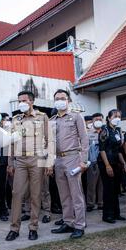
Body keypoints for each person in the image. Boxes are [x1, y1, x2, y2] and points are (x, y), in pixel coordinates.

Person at [5, 91, 52, 242]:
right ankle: (14, 229)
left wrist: (49, 162)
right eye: (19, 101)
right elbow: (11, 142)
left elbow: (50, 140)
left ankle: (33, 227)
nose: (21, 103)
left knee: (35, 195)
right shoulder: (16, 119)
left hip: (37, 159)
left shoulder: (42, 117)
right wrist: (10, 162)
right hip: (20, 160)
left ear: (31, 101)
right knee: (17, 194)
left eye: (24, 100)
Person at [49, 89, 89, 239]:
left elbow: (84, 140)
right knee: (64, 194)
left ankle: (79, 225)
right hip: (58, 160)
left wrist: (83, 160)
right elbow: (49, 143)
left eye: (62, 98)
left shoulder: (76, 116)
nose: (60, 100)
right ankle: (68, 222)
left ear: (68, 101)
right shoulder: (52, 120)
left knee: (76, 194)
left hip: (73, 157)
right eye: (57, 98)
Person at [98, 109, 126, 224]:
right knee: (108, 190)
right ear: (109, 118)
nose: (118, 118)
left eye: (119, 116)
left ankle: (116, 213)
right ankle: (108, 215)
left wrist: (124, 163)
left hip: (117, 163)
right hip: (106, 162)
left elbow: (119, 150)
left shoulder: (117, 131)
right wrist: (107, 165)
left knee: (116, 189)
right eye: (115, 116)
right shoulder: (104, 130)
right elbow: (102, 149)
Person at [86, 113, 104, 212]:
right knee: (91, 184)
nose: (98, 121)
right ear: (92, 121)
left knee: (102, 184)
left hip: (104, 162)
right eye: (96, 119)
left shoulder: (105, 132)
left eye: (100, 119)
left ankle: (101, 203)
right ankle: (90, 204)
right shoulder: (88, 133)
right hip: (92, 162)